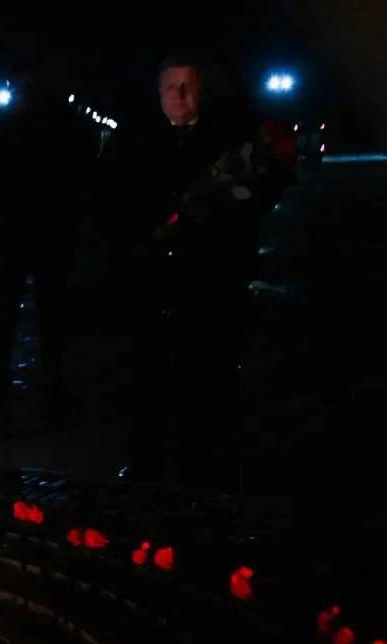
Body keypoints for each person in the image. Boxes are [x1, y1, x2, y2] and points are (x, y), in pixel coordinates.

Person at [96, 56, 288, 489]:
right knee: (146, 384)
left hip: (209, 286)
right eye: (171, 87)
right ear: (158, 92)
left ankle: (198, 471)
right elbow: (108, 205)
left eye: (188, 86)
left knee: (203, 384)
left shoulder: (228, 140)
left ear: (202, 89)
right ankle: (145, 468)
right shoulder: (133, 142)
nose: (180, 96)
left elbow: (255, 201)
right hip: (148, 284)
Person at [0, 68, 96, 417]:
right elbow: (87, 179)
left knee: (8, 312)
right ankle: (50, 384)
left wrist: (0, 204)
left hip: (15, 230)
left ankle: (1, 382)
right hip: (51, 232)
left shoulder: (1, 128)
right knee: (51, 312)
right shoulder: (68, 128)